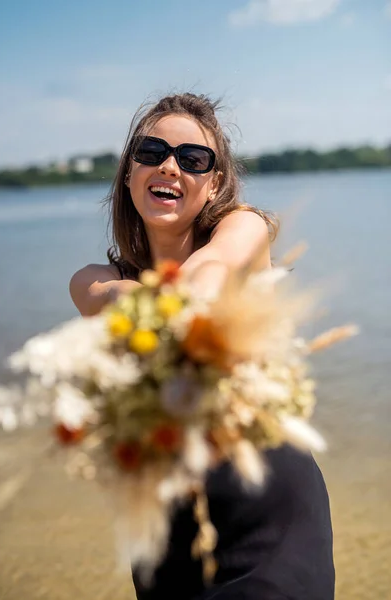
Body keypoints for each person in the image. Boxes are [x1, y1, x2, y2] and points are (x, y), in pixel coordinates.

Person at [70, 92, 335, 600]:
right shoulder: (94, 280)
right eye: (151, 152)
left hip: (266, 506)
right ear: (129, 173)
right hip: (164, 528)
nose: (169, 166)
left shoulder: (245, 228)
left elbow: (207, 276)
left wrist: (161, 298)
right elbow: (105, 298)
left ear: (213, 184)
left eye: (193, 160)